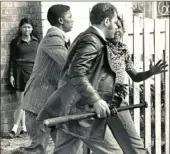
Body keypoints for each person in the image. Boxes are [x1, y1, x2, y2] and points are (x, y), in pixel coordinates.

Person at [37, 3, 168, 154]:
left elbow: (91, 74)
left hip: (72, 107)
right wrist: (96, 100)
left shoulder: (92, 38)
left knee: (65, 151)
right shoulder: (92, 40)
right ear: (106, 21)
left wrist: (111, 88)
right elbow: (76, 73)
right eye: (114, 22)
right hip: (81, 109)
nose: (116, 27)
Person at [12, 4, 73, 154]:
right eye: (70, 17)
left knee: (66, 146)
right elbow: (69, 65)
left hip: (50, 103)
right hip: (38, 104)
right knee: (37, 148)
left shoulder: (60, 38)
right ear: (60, 20)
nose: (73, 20)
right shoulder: (53, 38)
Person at [8, 17, 39, 138]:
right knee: (20, 102)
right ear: (20, 28)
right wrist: (11, 74)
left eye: (29, 27)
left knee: (26, 102)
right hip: (19, 72)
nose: (27, 29)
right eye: (25, 27)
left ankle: (18, 128)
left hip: (32, 73)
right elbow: (12, 60)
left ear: (32, 29)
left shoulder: (37, 42)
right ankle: (20, 128)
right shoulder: (15, 42)